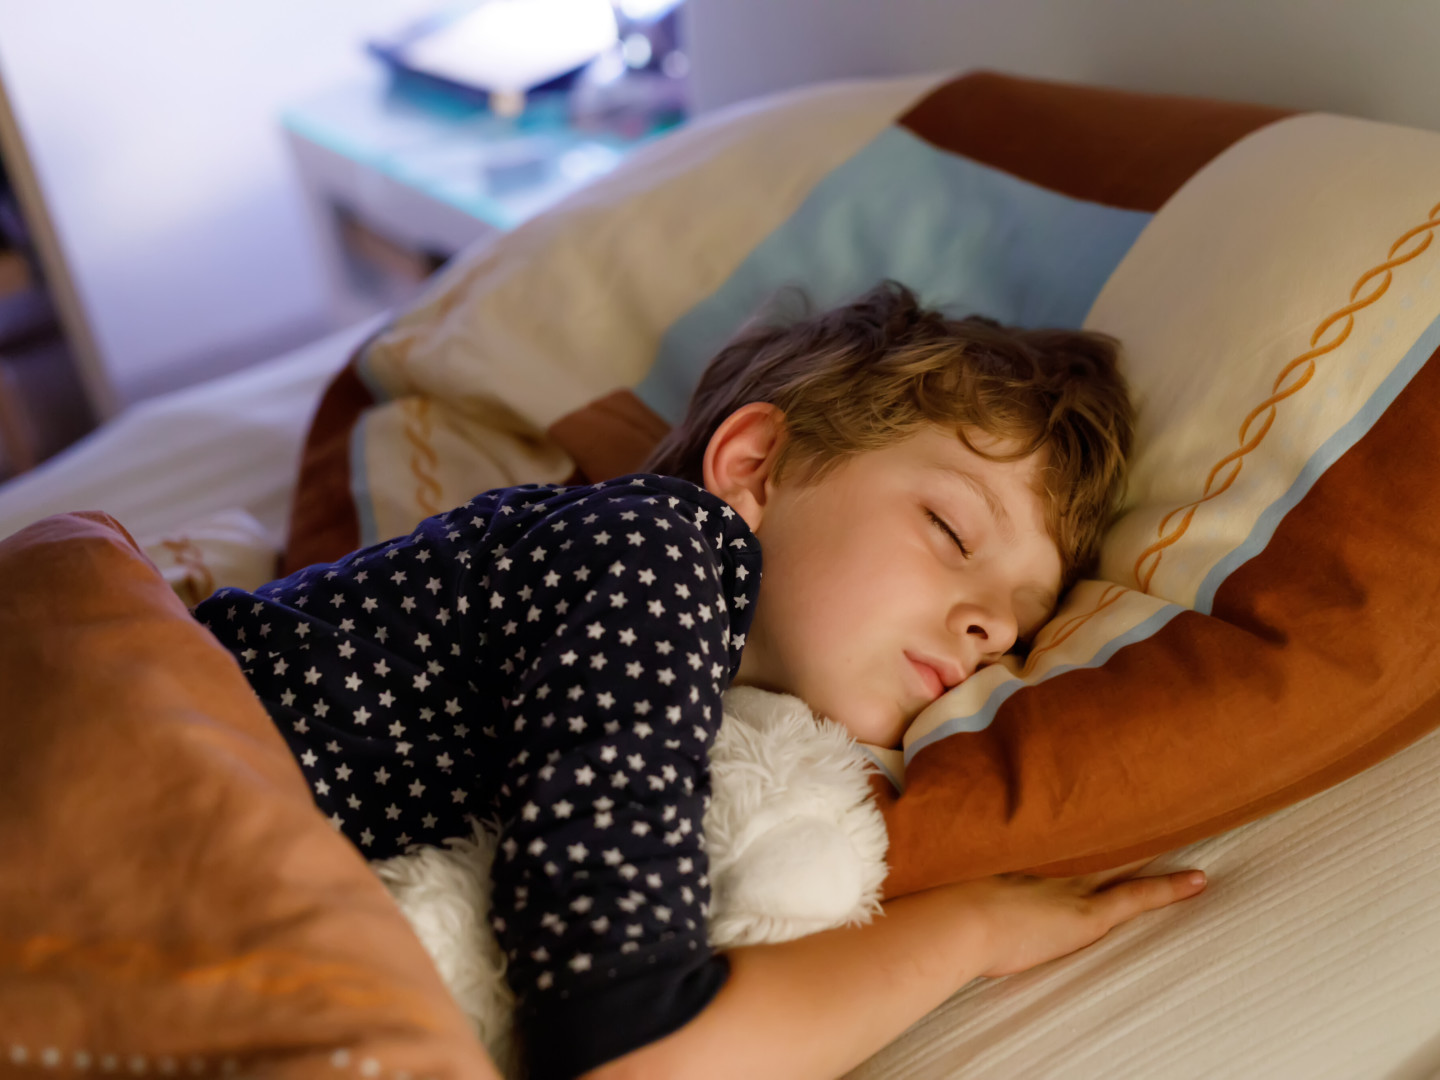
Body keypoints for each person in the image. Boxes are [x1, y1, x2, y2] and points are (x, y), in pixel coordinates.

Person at [196, 281, 1206, 1080]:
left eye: (1020, 626)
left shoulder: (701, 676)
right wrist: (973, 926)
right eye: (952, 530)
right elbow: (630, 1051)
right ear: (757, 463)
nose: (990, 624)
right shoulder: (658, 554)